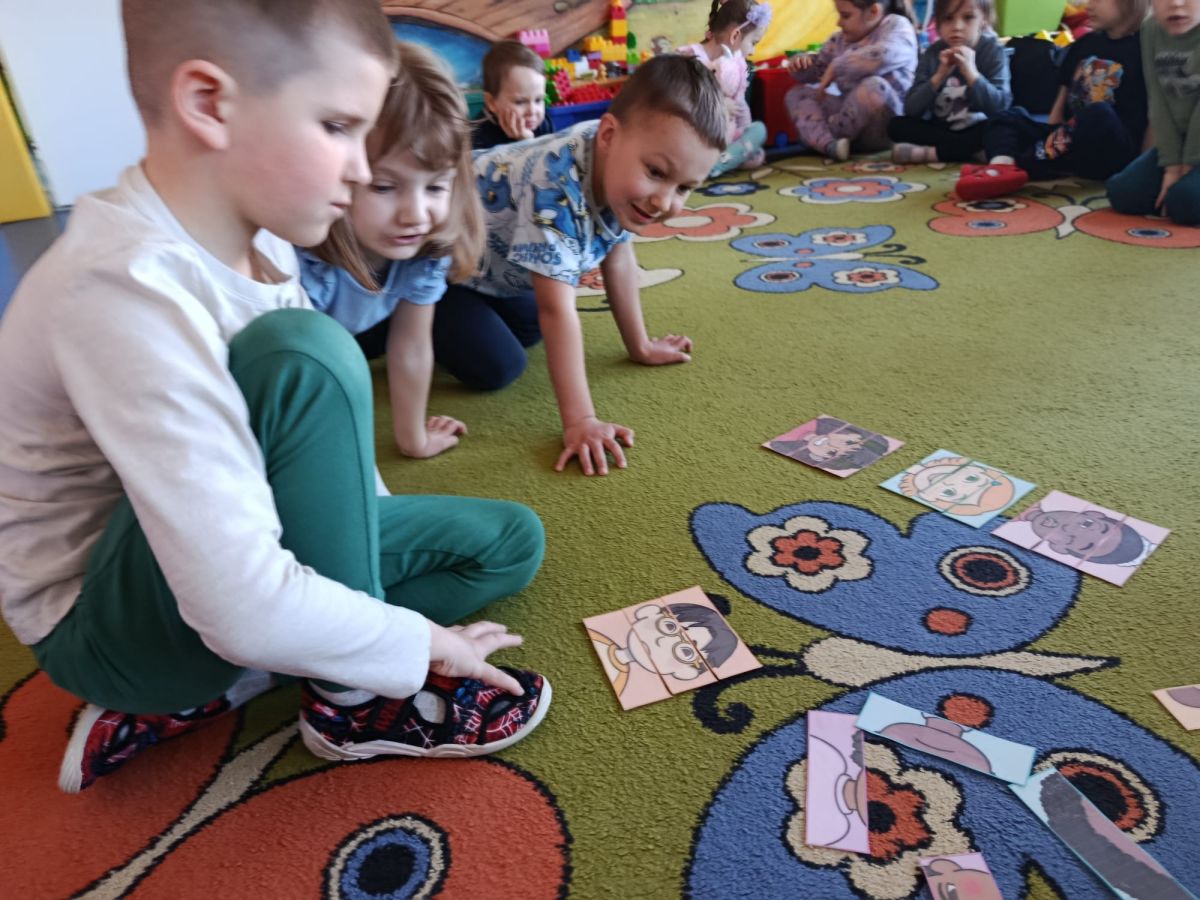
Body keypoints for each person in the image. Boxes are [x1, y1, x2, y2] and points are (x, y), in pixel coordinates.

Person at [0, 0, 550, 795]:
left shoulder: (262, 242)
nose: (359, 169)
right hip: (107, 629)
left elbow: (328, 462)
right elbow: (240, 607)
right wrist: (414, 646)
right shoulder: (123, 288)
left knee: (509, 543)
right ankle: (349, 706)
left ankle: (250, 678)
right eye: (338, 127)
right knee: (307, 353)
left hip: (211, 559)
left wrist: (371, 583)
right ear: (209, 103)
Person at [434, 54, 725, 476]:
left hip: (493, 263)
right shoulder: (555, 183)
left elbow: (618, 254)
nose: (664, 201)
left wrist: (640, 346)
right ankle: (403, 318)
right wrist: (581, 421)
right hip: (435, 259)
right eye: (656, 172)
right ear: (608, 134)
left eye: (684, 188)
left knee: (531, 328)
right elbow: (557, 309)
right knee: (500, 366)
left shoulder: (618, 158)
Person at [298, 41, 483, 459]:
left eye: (435, 187)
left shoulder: (425, 250)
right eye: (384, 187)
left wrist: (413, 440)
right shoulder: (304, 266)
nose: (415, 215)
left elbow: (411, 346)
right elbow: (297, 384)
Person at [957, 0, 1150, 200]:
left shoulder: (1144, 49)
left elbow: (1154, 114)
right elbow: (1061, 100)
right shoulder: (1085, 43)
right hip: (1067, 142)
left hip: (1110, 149)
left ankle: (1023, 162)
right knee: (1007, 117)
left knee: (1097, 112)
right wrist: (1049, 132)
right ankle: (1002, 166)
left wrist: (1141, 168)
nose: (1088, 6)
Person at [784, 0, 919, 160]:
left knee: (874, 86)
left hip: (886, 125)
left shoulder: (897, 25)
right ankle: (830, 144)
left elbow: (886, 56)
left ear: (873, 12)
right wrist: (802, 65)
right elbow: (820, 70)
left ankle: (820, 137)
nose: (838, 22)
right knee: (797, 94)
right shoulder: (839, 40)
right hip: (850, 123)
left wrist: (838, 66)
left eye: (845, 15)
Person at [1106, 0, 1200, 225]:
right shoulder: (1151, 28)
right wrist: (1171, 167)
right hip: (1181, 141)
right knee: (1122, 193)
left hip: (1195, 144)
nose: (1176, 3)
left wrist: (1187, 168)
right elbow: (1157, 99)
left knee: (1185, 203)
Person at [887, 0, 1011, 163]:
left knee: (1009, 122)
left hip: (979, 127)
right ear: (938, 22)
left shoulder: (993, 50)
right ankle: (969, 151)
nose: (957, 26)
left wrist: (972, 74)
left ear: (984, 20)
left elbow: (1000, 107)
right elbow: (911, 109)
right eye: (948, 18)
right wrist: (939, 76)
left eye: (968, 17)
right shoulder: (933, 53)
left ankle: (935, 154)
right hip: (942, 129)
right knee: (896, 126)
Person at [680, 0, 773, 176]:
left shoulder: (737, 66)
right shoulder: (691, 59)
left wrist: (745, 133)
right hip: (694, 140)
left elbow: (741, 107)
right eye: (753, 43)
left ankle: (726, 158)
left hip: (725, 139)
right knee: (752, 153)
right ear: (735, 35)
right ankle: (718, 164)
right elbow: (680, 104)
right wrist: (719, 105)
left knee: (758, 130)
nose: (752, 51)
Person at [472, 40, 555, 151]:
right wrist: (525, 144)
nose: (532, 111)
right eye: (520, 102)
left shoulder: (544, 124)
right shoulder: (478, 138)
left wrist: (528, 140)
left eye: (538, 100)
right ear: (491, 102)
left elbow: (553, 158)